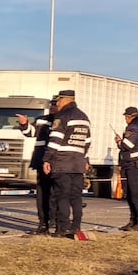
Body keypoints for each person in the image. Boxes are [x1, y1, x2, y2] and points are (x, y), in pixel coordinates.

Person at [42, 90, 91, 238]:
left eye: (58, 101)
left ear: (64, 100)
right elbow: (87, 142)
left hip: (62, 162)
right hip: (78, 163)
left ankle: (63, 227)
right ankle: (76, 226)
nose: (56, 104)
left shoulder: (62, 116)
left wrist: (47, 159)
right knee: (76, 196)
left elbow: (55, 139)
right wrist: (84, 159)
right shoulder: (84, 117)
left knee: (61, 195)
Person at [16, 96, 58, 235]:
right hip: (41, 161)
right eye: (51, 104)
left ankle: (56, 220)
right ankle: (43, 223)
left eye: (55, 104)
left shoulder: (64, 120)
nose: (52, 107)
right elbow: (30, 132)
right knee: (42, 194)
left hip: (58, 162)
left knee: (56, 194)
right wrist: (24, 124)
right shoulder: (42, 119)